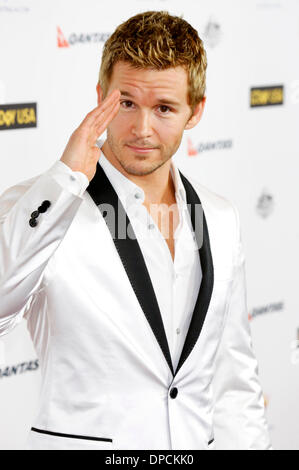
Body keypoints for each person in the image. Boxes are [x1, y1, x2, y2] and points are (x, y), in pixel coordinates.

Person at [0, 10, 271, 450]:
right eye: (126, 103)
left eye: (164, 108)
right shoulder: (41, 206)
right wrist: (65, 183)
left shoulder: (220, 217)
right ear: (100, 95)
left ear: (195, 111)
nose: (141, 130)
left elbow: (233, 381)